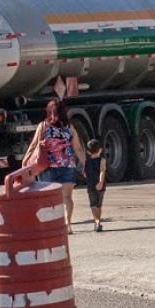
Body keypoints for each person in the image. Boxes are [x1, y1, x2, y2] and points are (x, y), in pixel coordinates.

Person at [25, 98, 86, 234]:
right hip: (68, 165)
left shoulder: (43, 126)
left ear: (49, 112)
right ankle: (68, 225)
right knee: (67, 198)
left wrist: (25, 163)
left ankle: (49, 227)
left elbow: (34, 145)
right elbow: (78, 149)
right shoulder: (70, 128)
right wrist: (85, 165)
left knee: (47, 199)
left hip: (47, 167)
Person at [83, 139, 108, 232]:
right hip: (100, 186)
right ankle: (98, 221)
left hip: (90, 185)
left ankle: (96, 222)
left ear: (88, 152)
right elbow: (102, 170)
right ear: (100, 150)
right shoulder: (102, 160)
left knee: (93, 205)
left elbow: (84, 174)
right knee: (99, 205)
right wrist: (101, 182)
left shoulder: (86, 161)